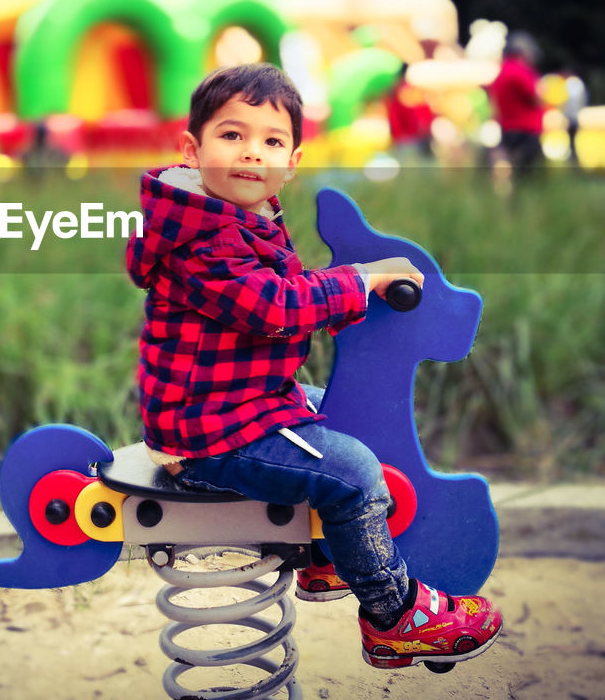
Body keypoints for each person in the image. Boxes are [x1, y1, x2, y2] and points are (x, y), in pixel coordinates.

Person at [126, 63, 502, 669]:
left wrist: (342, 295)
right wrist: (359, 281)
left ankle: (332, 556)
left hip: (236, 405)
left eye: (271, 141)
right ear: (192, 150)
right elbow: (274, 305)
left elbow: (289, 287)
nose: (252, 153)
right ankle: (394, 614)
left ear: (292, 161)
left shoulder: (239, 217)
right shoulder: (203, 241)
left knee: (339, 406)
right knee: (353, 469)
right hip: (211, 437)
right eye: (232, 135)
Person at [487, 31, 546, 180]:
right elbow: (536, 96)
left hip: (507, 127)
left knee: (511, 165)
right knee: (526, 173)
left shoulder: (501, 72)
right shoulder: (520, 71)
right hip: (526, 129)